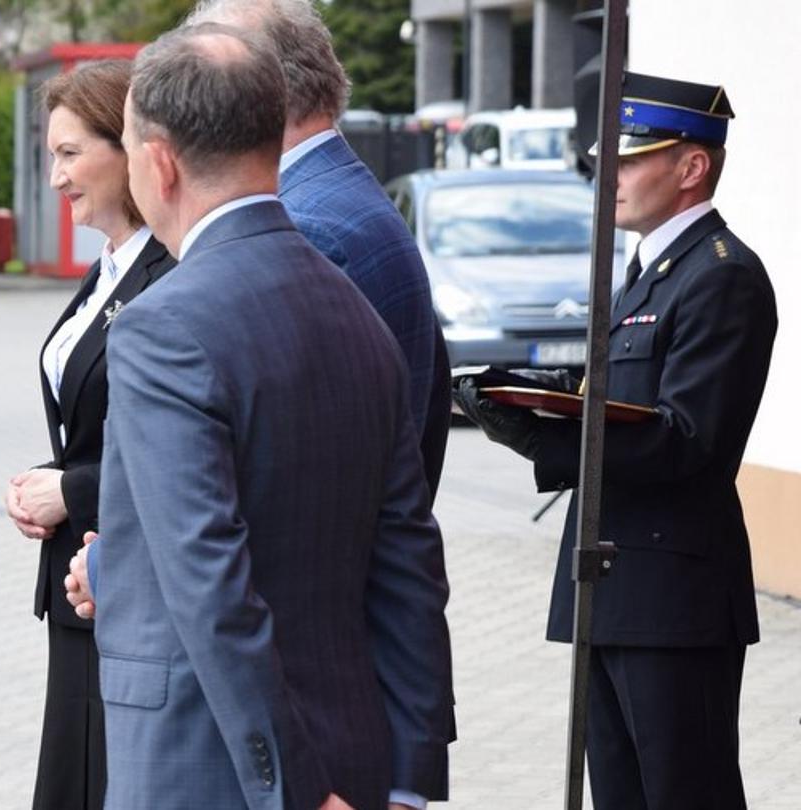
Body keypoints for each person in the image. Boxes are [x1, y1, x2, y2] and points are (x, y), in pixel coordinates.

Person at [64, 24, 450, 809]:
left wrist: (298, 793)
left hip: (214, 767)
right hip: (354, 752)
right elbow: (407, 557)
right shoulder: (351, 302)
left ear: (159, 161)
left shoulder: (160, 324)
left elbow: (213, 583)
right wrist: (410, 783)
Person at [456, 73, 775, 809]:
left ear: (691, 168)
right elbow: (621, 409)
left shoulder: (722, 278)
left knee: (683, 796)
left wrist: (539, 439)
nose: (611, 176)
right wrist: (533, 401)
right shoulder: (648, 275)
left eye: (631, 160)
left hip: (674, 596)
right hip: (615, 585)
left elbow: (686, 443)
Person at [190, 0, 452, 501]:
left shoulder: (302, 225)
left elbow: (272, 455)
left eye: (204, 86)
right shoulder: (330, 195)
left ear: (262, 93)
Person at [2, 60, 175, 810]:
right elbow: (97, 418)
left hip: (130, 586)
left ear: (131, 150)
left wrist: (69, 489)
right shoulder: (111, 267)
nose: (55, 177)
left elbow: (181, 453)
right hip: (78, 583)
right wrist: (48, 478)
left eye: (71, 154)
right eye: (51, 156)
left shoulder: (170, 274)